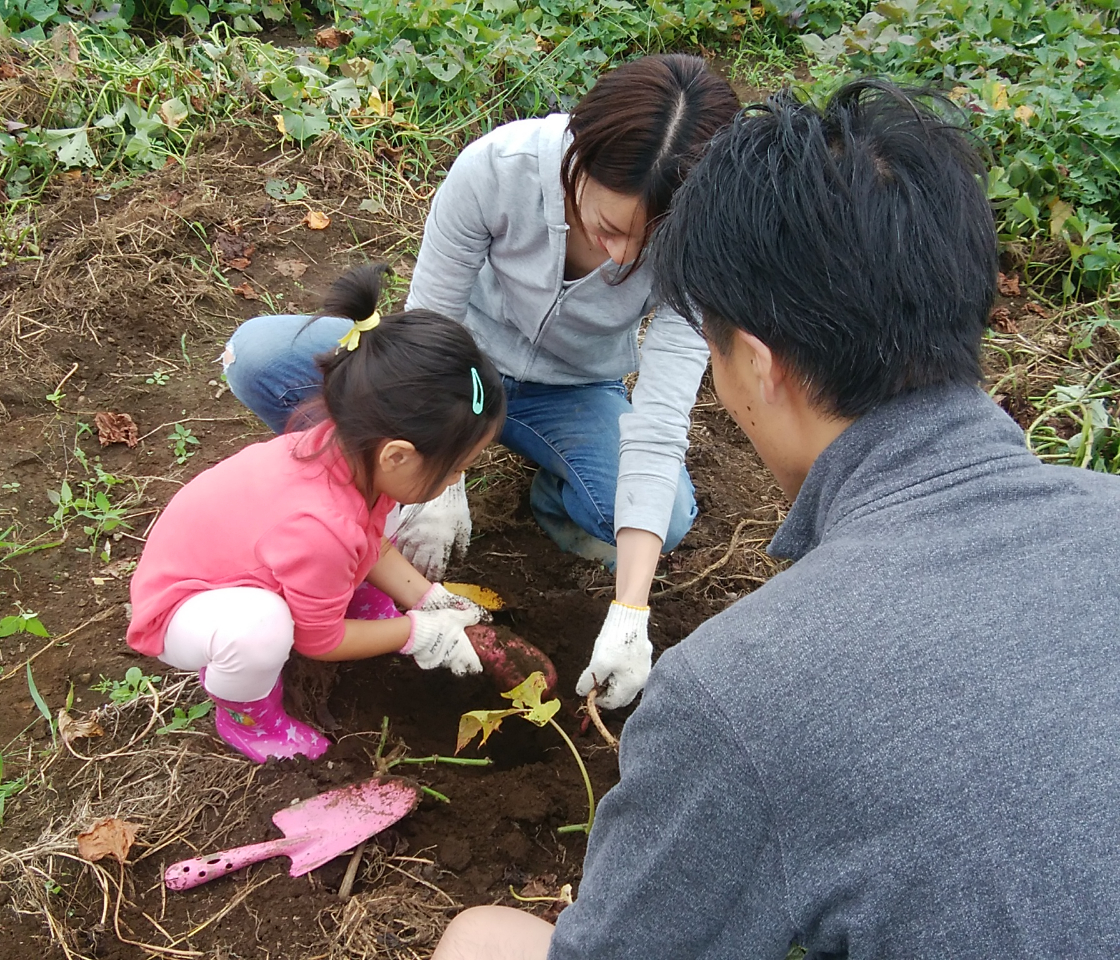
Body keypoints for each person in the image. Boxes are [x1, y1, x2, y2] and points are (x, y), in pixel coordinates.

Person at [430, 80, 1120, 959]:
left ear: (754, 366)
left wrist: (633, 608)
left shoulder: (740, 695)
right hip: (480, 381)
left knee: (481, 939)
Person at [223, 54, 741, 711]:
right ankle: (357, 496)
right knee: (261, 358)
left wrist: (630, 611)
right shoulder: (499, 169)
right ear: (577, 158)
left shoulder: (705, 241)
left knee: (657, 517)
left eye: (646, 246)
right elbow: (429, 334)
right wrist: (441, 475)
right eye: (608, 228)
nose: (621, 259)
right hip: (461, 364)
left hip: (574, 390)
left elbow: (662, 421)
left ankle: (555, 496)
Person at [127, 265, 506, 763]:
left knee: (356, 549)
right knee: (261, 633)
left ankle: (345, 603)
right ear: (396, 454)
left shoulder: (352, 452)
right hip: (185, 606)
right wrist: (418, 633)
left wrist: (429, 599)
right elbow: (318, 641)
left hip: (256, 559)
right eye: (455, 467)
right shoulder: (322, 527)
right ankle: (247, 716)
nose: (457, 480)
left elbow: (370, 542)